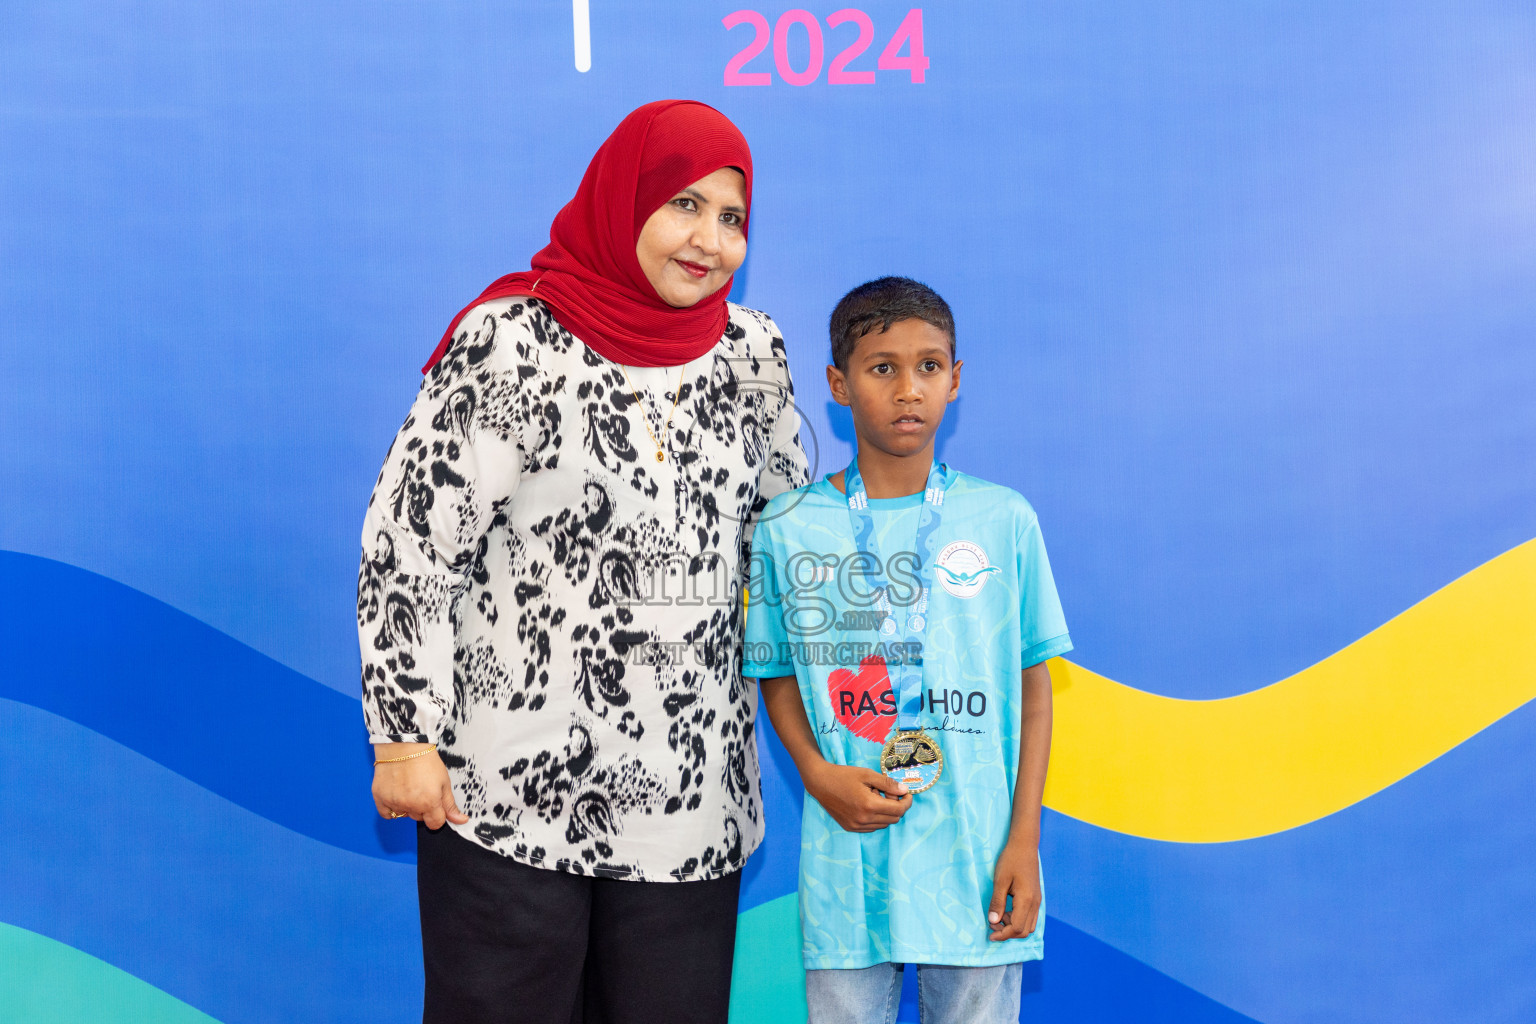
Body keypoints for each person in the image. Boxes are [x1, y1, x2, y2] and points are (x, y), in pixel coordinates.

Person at [357, 100, 809, 1024]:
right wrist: (405, 735)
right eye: (684, 205)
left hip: (690, 807)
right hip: (506, 796)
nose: (710, 240)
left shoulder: (753, 356)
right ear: (623, 199)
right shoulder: (514, 343)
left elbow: (789, 540)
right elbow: (411, 541)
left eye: (733, 218)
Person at [743, 277, 1070, 1024]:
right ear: (838, 384)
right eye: (881, 367)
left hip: (978, 854)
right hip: (848, 857)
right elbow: (777, 674)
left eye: (929, 366)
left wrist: (1024, 839)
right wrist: (818, 774)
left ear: (956, 381)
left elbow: (1036, 685)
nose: (907, 388)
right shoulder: (791, 525)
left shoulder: (1002, 519)